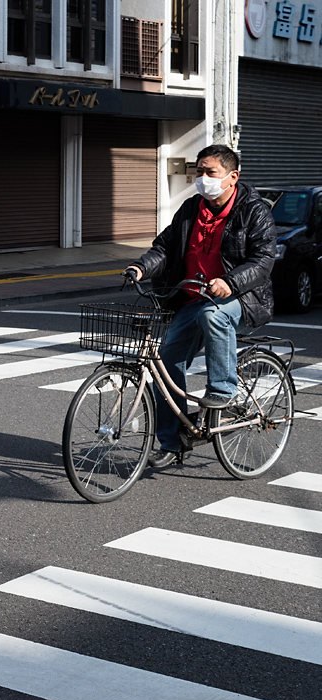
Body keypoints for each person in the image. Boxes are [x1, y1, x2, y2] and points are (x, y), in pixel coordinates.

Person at [125, 144, 276, 469]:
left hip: (242, 299)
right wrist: (141, 267)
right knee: (166, 367)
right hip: (195, 298)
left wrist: (231, 282)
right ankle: (171, 441)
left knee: (213, 315)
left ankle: (222, 390)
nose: (203, 178)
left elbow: (263, 260)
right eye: (199, 172)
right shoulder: (192, 208)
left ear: (232, 177)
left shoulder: (254, 210)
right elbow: (165, 248)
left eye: (211, 172)